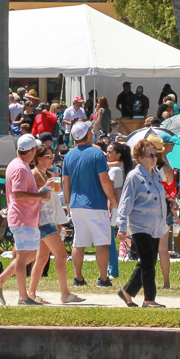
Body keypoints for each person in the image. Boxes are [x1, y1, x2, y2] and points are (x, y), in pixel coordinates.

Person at [0, 134, 48, 306]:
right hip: (22, 217)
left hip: (25, 217)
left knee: (29, 255)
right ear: (32, 151)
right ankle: (23, 297)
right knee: (24, 257)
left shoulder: (18, 165)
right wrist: (39, 195)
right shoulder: (21, 168)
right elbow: (18, 193)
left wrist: (38, 192)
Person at [116, 138, 171, 308]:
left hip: (156, 224)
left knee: (148, 261)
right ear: (139, 157)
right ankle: (149, 299)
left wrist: (170, 204)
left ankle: (126, 291)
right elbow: (125, 203)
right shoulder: (134, 177)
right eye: (150, 155)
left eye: (155, 155)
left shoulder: (156, 174)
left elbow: (160, 196)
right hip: (139, 225)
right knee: (148, 261)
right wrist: (122, 227)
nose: (154, 158)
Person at [62, 120, 116, 287]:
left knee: (79, 242)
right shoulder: (97, 154)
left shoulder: (69, 155)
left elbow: (65, 182)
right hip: (95, 203)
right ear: (88, 134)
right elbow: (105, 180)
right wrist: (113, 199)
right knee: (102, 242)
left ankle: (78, 278)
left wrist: (68, 202)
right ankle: (103, 278)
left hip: (76, 204)